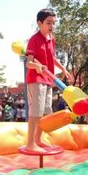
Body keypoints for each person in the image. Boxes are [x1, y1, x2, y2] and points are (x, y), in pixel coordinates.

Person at [25, 8, 71, 152]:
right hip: (36, 78)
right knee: (36, 111)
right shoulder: (33, 40)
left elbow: (51, 58)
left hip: (48, 79)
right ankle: (30, 143)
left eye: (53, 23)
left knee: (46, 111)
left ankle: (38, 139)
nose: (51, 26)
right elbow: (28, 62)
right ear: (39, 23)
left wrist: (63, 68)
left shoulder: (51, 39)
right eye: (48, 23)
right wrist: (36, 66)